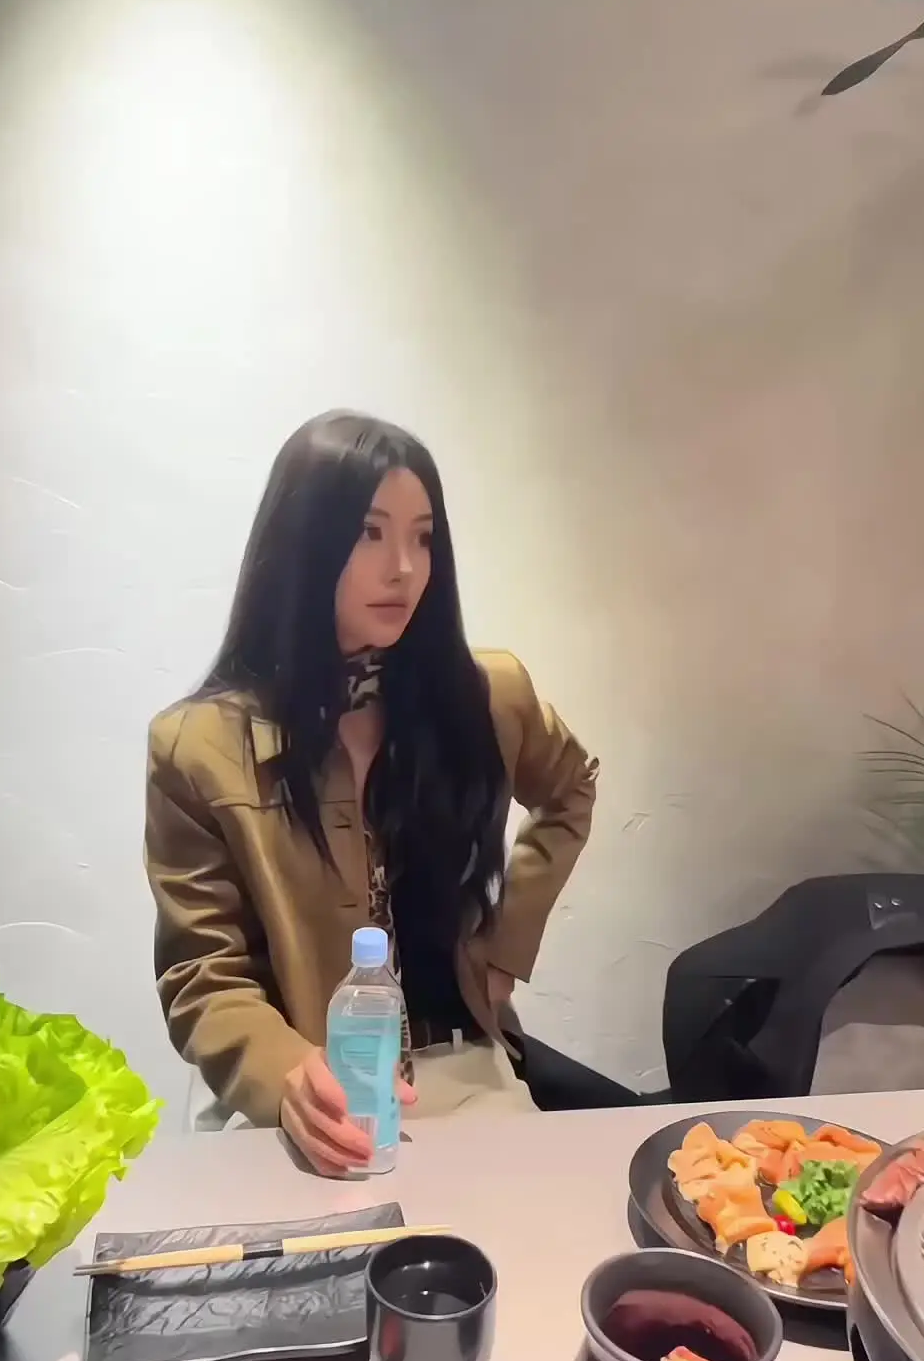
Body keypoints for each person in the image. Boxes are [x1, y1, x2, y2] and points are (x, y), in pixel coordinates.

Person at [145, 409, 598, 1175]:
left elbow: (571, 788)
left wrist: (505, 945)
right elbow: (203, 974)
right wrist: (288, 1074)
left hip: (460, 1076)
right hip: (300, 1092)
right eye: (370, 533)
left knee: (522, 1232)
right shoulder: (198, 748)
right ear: (305, 544)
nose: (405, 569)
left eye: (423, 538)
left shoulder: (487, 697)